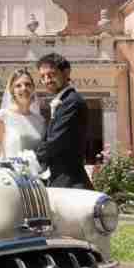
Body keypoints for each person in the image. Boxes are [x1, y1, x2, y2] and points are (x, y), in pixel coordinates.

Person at [34, 52, 91, 188]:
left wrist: (27, 160)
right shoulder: (64, 100)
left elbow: (54, 142)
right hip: (59, 179)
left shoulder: (71, 102)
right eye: (43, 77)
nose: (47, 80)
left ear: (66, 72)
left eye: (51, 74)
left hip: (69, 182)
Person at [0, 68, 45, 160]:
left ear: (33, 88)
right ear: (12, 91)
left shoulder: (40, 120)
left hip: (37, 173)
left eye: (27, 84)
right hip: (10, 173)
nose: (24, 88)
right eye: (18, 85)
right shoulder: (1, 117)